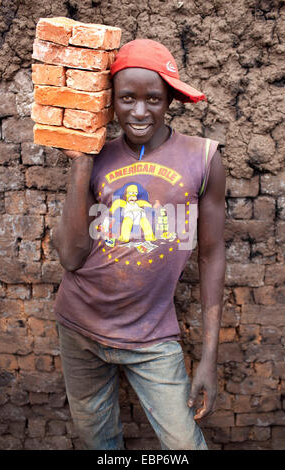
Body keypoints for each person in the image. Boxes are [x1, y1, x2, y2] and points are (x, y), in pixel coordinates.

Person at [51, 38, 226, 450]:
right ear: (110, 101)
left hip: (152, 338)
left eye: (154, 99)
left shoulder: (203, 159)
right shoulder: (97, 158)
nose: (140, 111)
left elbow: (211, 253)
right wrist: (80, 162)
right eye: (126, 98)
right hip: (79, 328)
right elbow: (71, 256)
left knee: (184, 445)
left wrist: (209, 357)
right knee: (99, 443)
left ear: (170, 100)